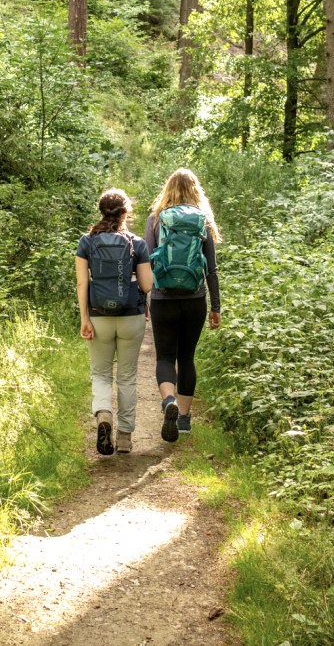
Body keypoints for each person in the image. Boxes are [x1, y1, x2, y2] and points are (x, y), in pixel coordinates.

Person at [144, 168, 221, 443]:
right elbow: (211, 269)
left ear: (167, 189)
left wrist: (145, 298)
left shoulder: (155, 219)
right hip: (194, 299)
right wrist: (216, 307)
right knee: (186, 357)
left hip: (163, 298)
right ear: (195, 191)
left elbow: (148, 262)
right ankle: (185, 421)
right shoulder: (203, 220)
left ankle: (168, 403)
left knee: (165, 357)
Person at [76, 189, 153, 455]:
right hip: (131, 316)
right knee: (128, 377)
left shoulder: (86, 242)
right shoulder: (137, 244)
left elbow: (82, 283)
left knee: (100, 374)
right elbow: (146, 284)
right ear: (125, 213)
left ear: (101, 211)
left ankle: (104, 416)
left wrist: (85, 318)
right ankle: (124, 437)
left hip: (99, 317)